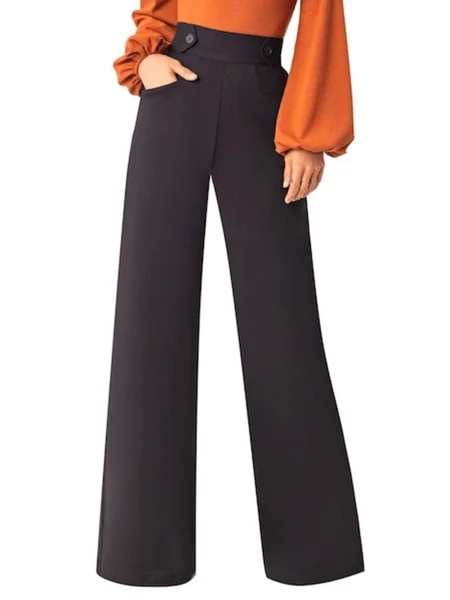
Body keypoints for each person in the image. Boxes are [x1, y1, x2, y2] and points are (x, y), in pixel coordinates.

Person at [96, 0, 364, 587]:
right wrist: (146, 58)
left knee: (282, 325)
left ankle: (313, 555)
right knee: (149, 316)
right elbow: (160, 9)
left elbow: (323, 22)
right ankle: (143, 556)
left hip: (261, 103)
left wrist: (307, 136)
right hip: (173, 91)